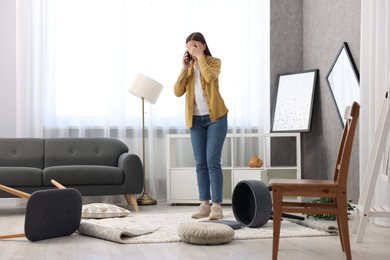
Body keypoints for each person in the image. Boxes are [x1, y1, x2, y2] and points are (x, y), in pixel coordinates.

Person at [174, 32, 228, 220]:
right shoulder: (188, 68)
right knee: (200, 163)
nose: (192, 49)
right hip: (195, 120)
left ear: (203, 46)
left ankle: (217, 206)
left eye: (195, 45)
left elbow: (210, 77)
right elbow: (177, 92)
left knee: (212, 160)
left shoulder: (214, 62)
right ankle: (204, 204)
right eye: (189, 46)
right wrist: (184, 67)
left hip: (216, 118)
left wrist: (200, 58)